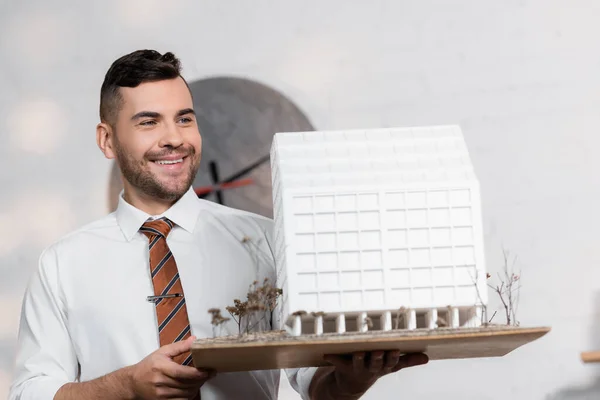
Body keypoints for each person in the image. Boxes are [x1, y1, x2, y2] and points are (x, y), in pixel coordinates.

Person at [8, 49, 428, 400]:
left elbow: (314, 386)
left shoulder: (263, 241)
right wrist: (126, 385)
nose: (174, 137)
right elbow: (32, 392)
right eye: (149, 121)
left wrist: (355, 378)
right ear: (107, 140)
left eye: (184, 118)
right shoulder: (62, 263)